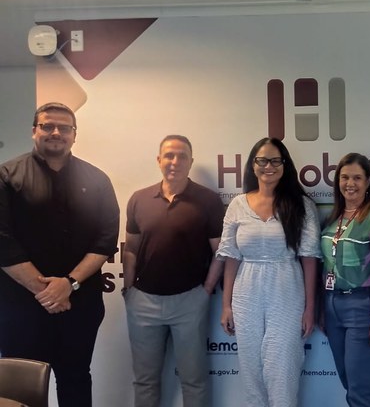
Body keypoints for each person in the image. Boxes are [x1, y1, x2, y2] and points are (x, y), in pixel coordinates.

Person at [0, 102, 119, 407]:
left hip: (79, 303)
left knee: (76, 377)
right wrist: (46, 291)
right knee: (19, 384)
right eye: (47, 126)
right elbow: (2, 241)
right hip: (20, 307)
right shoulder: (6, 175)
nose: (56, 133)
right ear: (34, 131)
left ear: (74, 135)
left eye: (64, 128)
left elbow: (105, 240)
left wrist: (70, 284)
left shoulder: (97, 180)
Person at [122, 135, 225, 407]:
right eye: (169, 155)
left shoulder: (208, 201)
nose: (175, 161)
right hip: (142, 302)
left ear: (191, 162)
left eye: (182, 156)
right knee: (144, 380)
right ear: (159, 160)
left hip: (189, 300)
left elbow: (220, 252)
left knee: (194, 379)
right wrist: (129, 290)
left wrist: (205, 291)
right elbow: (130, 248)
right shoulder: (138, 199)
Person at [217, 137, 320, 407]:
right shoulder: (238, 205)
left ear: (284, 165)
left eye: (275, 160)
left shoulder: (301, 205)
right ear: (253, 165)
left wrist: (310, 307)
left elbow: (309, 258)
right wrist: (226, 305)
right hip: (245, 291)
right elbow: (230, 257)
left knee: (282, 368)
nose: (268, 166)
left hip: (286, 287)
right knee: (251, 370)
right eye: (262, 160)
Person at [320, 153, 370, 407]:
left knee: (360, 388)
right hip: (333, 306)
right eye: (344, 177)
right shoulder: (333, 219)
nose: (350, 183)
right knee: (348, 381)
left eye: (356, 178)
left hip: (364, 307)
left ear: (367, 183)